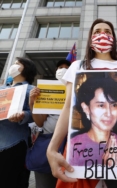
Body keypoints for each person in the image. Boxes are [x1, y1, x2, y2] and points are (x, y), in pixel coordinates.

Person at [47, 19, 117, 188]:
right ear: (90, 39)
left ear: (114, 39)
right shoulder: (77, 65)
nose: (102, 35)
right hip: (79, 159)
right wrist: (52, 148)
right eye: (97, 32)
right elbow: (68, 107)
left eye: (107, 31)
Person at [68, 74, 117, 167]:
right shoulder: (73, 146)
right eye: (101, 105)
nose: (109, 113)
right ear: (86, 108)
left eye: (114, 105)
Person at [28, 59, 70, 188]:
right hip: (47, 140)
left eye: (65, 68)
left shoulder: (80, 89)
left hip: (70, 144)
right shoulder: (47, 89)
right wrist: (32, 103)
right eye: (59, 68)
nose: (61, 70)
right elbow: (40, 123)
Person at [0, 57, 37, 188]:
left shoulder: (32, 90)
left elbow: (37, 116)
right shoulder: (2, 89)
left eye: (17, 64)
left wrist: (23, 115)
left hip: (14, 143)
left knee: (10, 181)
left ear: (26, 69)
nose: (13, 66)